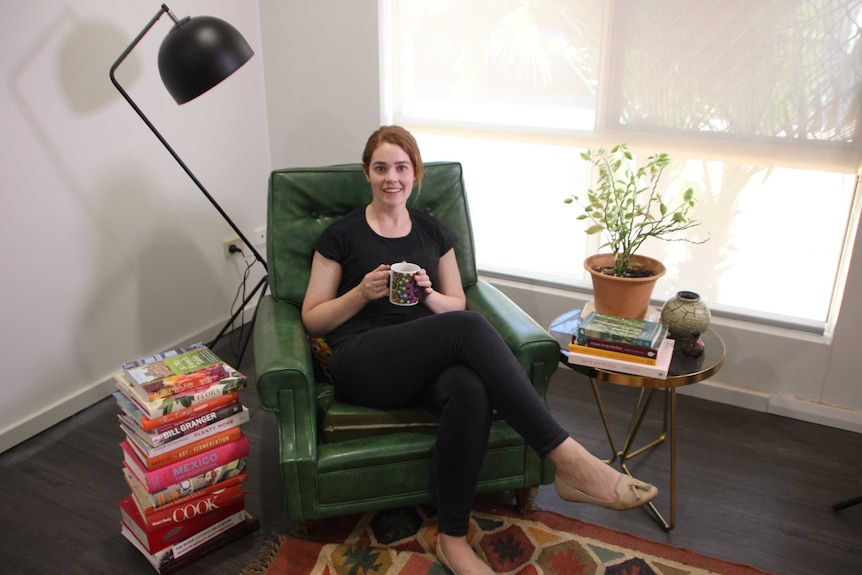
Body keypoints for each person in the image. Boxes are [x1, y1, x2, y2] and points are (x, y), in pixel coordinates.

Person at [301, 126, 658, 575]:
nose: (391, 177)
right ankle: (566, 458)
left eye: (401, 167)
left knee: (470, 388)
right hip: (363, 362)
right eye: (381, 168)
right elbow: (312, 317)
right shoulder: (342, 234)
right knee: (467, 328)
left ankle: (453, 540)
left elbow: (455, 303)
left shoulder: (434, 232)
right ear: (366, 173)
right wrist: (361, 293)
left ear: (416, 174)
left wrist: (429, 295)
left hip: (424, 362)